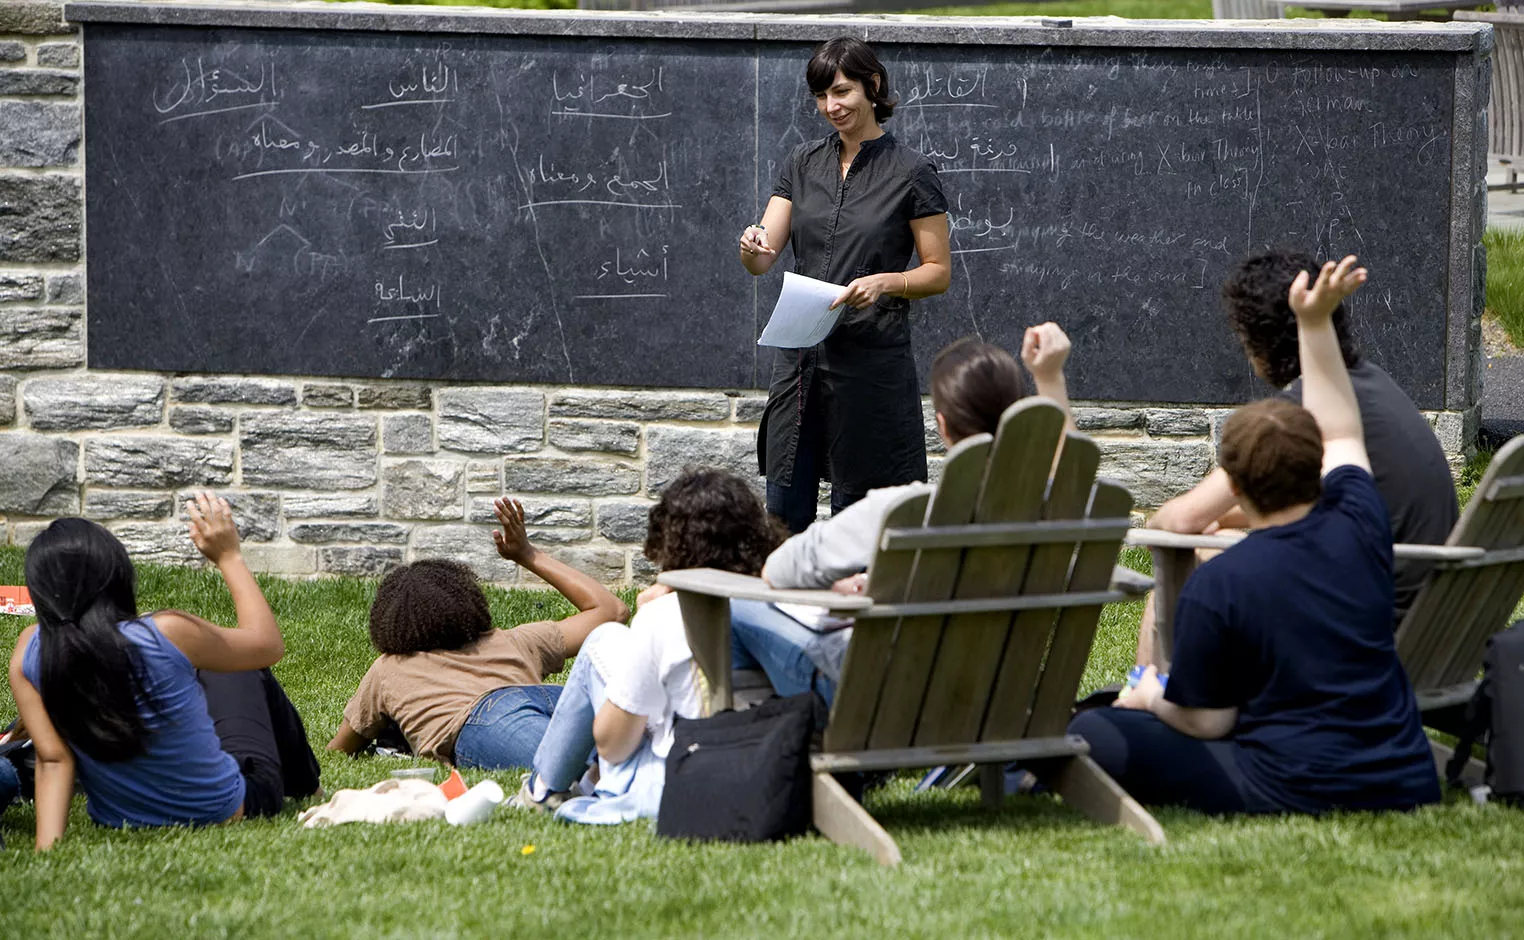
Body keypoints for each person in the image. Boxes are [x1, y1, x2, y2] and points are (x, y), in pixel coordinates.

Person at [1068, 256, 1441, 816]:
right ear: (1317, 466)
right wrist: (1315, 323)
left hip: (1292, 783)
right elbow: (1340, 428)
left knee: (1097, 728)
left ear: (1235, 489)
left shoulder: (1221, 581)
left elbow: (1207, 720)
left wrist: (1150, 696)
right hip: (1405, 776)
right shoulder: (1360, 525)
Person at [1136, 248, 1458, 665]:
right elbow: (1299, 511)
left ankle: (1150, 694)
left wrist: (1156, 521)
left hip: (1370, 630)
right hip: (1432, 621)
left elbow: (1182, 522)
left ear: (1263, 342)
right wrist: (1228, 519)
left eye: (1244, 340)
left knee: (1194, 557)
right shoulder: (1370, 384)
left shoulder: (1300, 415)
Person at [731, 325, 1074, 703]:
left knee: (738, 607)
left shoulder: (901, 509)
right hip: (1000, 693)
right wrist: (1049, 377)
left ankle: (748, 743)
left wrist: (835, 587)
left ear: (942, 427)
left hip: (889, 701)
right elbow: (1073, 478)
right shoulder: (1053, 512)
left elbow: (777, 570)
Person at [8, 495, 321, 851]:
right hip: (225, 808)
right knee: (242, 670)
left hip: (117, 819)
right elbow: (267, 645)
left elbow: (53, 759)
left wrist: (47, 851)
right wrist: (228, 556)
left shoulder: (27, 653)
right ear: (116, 575)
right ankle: (310, 787)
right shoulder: (168, 632)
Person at [740, 36, 952, 534]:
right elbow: (762, 257)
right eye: (820, 96)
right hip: (800, 362)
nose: (830, 107)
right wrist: (751, 249)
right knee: (782, 516)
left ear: (872, 86)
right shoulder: (801, 162)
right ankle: (781, 607)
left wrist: (887, 282)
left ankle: (853, 611)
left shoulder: (913, 172)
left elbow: (937, 271)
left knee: (858, 519)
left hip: (871, 364)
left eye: (841, 92)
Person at [513, 467, 780, 821]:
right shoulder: (785, 602)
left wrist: (645, 631)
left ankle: (543, 789)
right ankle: (556, 784)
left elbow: (613, 744)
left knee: (603, 640)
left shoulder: (666, 615)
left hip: (683, 783)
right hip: (772, 769)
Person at [327, 497, 628, 769]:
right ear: (466, 600)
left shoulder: (388, 669)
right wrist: (527, 554)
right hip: (552, 698)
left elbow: (340, 750)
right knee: (635, 746)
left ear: (389, 622)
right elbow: (612, 612)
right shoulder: (514, 640)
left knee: (578, 768)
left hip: (483, 719)